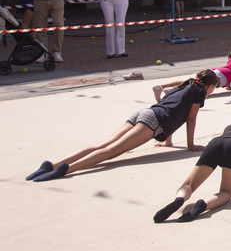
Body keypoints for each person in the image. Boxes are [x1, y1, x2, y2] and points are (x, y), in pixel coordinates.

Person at [26, 70, 219, 182]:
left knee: (102, 145)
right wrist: (190, 145)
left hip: (144, 113)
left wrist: (168, 141)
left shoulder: (184, 86)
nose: (211, 92)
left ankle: (52, 164)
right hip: (154, 120)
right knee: (111, 152)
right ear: (209, 86)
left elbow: (176, 113)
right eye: (214, 88)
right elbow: (191, 118)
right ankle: (67, 169)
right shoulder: (200, 92)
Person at [153, 32, 231, 101]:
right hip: (224, 76)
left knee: (194, 81)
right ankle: (173, 91)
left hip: (219, 71)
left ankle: (161, 87)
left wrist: (229, 85)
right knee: (197, 88)